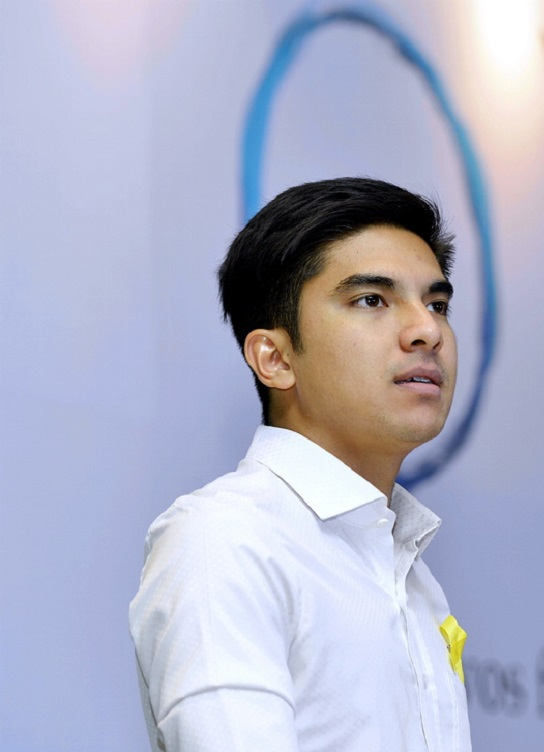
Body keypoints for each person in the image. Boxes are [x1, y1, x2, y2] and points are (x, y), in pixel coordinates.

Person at [128, 177, 472, 751]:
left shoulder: (411, 578)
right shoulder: (228, 540)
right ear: (275, 358)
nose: (427, 330)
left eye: (437, 303)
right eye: (372, 300)